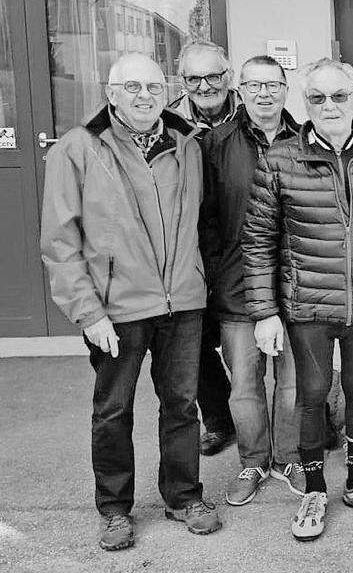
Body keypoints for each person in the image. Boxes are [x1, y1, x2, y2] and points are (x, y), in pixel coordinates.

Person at [40, 53, 221, 551]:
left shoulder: (187, 144)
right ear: (111, 93)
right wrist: (88, 312)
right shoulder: (78, 149)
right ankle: (115, 509)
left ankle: (184, 496)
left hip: (182, 301)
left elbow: (201, 222)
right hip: (116, 309)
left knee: (182, 405)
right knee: (113, 409)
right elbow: (60, 241)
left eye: (154, 87)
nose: (145, 96)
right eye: (133, 88)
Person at [242, 57, 353, 541]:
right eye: (317, 97)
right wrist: (265, 312)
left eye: (339, 95)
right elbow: (258, 241)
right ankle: (316, 488)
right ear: (306, 103)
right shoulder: (279, 159)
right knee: (313, 396)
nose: (329, 105)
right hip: (307, 307)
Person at [199, 55, 306, 506]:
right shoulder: (216, 144)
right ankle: (254, 459)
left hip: (297, 282)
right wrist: (216, 270)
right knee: (244, 382)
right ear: (239, 89)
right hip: (237, 284)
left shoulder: (306, 141)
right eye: (255, 85)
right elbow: (205, 219)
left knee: (294, 381)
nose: (264, 93)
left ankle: (290, 456)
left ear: (286, 89)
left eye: (273, 85)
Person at [170, 39, 240, 457]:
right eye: (193, 78)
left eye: (212, 76)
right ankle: (218, 419)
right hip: (189, 247)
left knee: (274, 337)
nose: (204, 85)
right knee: (193, 341)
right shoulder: (170, 123)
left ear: (227, 77)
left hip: (243, 243)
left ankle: (304, 416)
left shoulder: (253, 112)